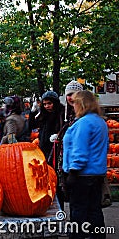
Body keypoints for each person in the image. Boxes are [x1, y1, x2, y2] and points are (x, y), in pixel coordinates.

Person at [63, 90, 108, 239]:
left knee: (78, 212)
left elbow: (80, 150)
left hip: (82, 175)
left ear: (81, 104)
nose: (73, 106)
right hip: (97, 173)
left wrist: (73, 172)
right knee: (94, 210)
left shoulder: (83, 123)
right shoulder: (100, 121)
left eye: (75, 102)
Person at [51, 80, 83, 210]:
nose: (71, 98)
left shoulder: (83, 115)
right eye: (69, 94)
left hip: (76, 162)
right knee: (63, 191)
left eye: (74, 94)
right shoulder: (64, 113)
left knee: (78, 198)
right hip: (63, 159)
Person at [32, 91, 65, 161]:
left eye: (49, 103)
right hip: (43, 148)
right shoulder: (43, 115)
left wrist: (58, 135)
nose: (47, 106)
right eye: (44, 104)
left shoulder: (61, 115)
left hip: (56, 150)